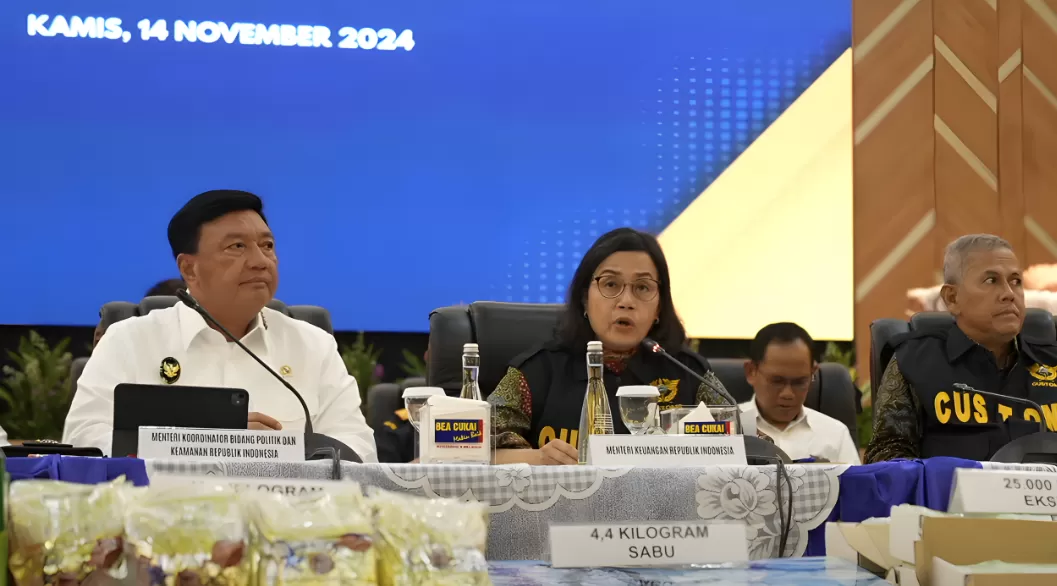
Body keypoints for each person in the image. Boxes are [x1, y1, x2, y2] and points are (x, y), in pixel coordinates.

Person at [63, 189, 377, 461]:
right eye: (236, 247)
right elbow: (84, 441)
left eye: (267, 246)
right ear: (189, 268)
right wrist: (215, 443)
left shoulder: (312, 345)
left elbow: (358, 450)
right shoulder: (129, 341)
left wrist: (282, 452)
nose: (260, 261)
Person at [489, 227, 731, 465]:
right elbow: (472, 446)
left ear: (659, 307)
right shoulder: (537, 371)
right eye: (611, 284)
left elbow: (744, 442)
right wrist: (537, 458)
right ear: (585, 298)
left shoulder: (689, 372)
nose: (626, 301)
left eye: (643, 287)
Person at [865, 234, 1057, 463]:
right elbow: (885, 457)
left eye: (1015, 281)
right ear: (952, 298)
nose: (1009, 293)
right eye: (991, 280)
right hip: (948, 497)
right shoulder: (915, 361)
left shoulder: (1051, 362)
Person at [741, 322, 860, 463]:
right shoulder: (723, 429)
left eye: (799, 382)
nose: (788, 394)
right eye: (777, 381)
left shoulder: (835, 435)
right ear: (751, 372)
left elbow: (857, 485)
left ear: (813, 373)